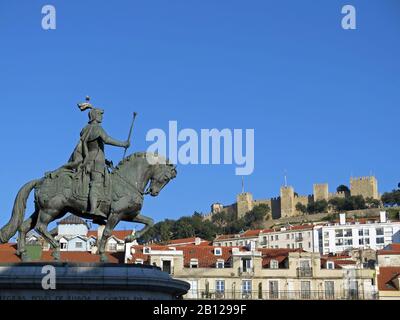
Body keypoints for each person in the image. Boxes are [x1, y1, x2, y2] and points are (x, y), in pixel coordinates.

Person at [67, 102, 129, 215]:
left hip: (89, 159)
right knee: (95, 183)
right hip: (96, 161)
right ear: (95, 115)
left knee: (94, 182)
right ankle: (93, 209)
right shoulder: (97, 128)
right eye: (100, 114)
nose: (102, 117)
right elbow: (106, 139)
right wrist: (123, 144)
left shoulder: (86, 129)